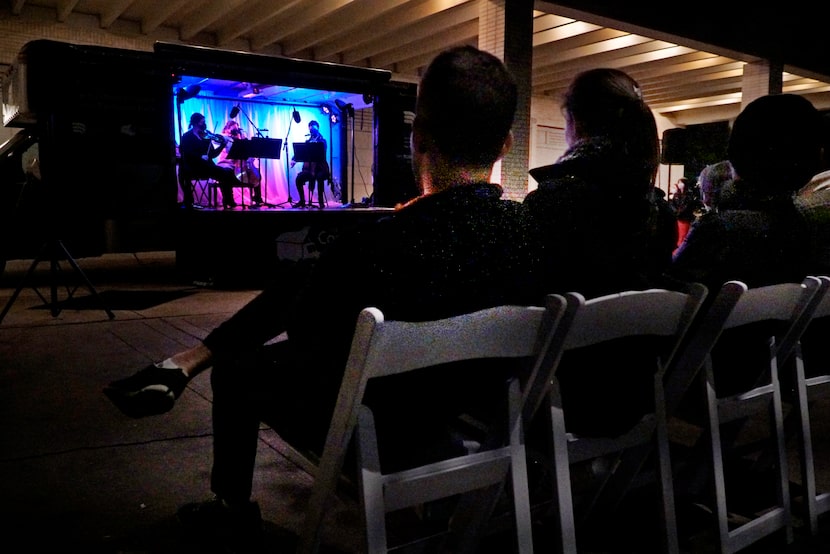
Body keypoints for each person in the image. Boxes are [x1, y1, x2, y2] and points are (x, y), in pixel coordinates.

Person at [103, 45, 538, 551]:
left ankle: (229, 501)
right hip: (469, 408)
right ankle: (185, 361)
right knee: (314, 276)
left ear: (416, 136)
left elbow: (309, 339)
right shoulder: (531, 235)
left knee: (241, 368)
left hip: (384, 426)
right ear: (506, 144)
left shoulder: (378, 243)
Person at [523, 67, 678, 436]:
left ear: (573, 122)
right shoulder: (660, 211)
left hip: (562, 401)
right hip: (635, 398)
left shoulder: (551, 203)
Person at [179, 112, 241, 209]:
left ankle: (228, 200)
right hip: (194, 166)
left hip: (207, 166)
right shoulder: (187, 136)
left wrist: (222, 145)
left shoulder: (206, 136)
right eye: (202, 122)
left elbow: (212, 154)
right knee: (223, 173)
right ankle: (189, 201)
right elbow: (186, 152)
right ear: (195, 123)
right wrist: (200, 156)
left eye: (205, 122)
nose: (204, 124)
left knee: (226, 173)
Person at [216, 119, 264, 207]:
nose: (235, 132)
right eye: (234, 130)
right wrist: (227, 137)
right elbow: (219, 141)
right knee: (227, 173)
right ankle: (228, 199)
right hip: (226, 163)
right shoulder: (224, 137)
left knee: (256, 174)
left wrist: (243, 137)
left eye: (236, 130)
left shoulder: (239, 139)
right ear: (227, 128)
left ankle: (257, 198)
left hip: (238, 165)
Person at [290, 120, 330, 209]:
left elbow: (322, 151)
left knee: (319, 177)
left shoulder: (322, 141)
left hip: (321, 168)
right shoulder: (308, 142)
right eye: (311, 130)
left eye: (314, 130)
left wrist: (315, 140)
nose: (312, 132)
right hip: (309, 169)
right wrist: (294, 159)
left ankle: (321, 201)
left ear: (318, 129)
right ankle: (302, 201)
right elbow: (301, 152)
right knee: (299, 179)